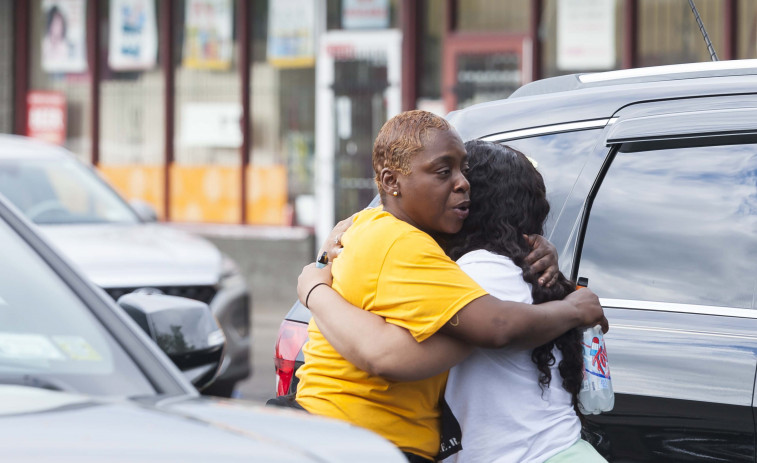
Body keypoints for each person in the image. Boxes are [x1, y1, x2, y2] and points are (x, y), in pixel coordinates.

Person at [295, 110, 607, 463]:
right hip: (357, 443)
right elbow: (488, 328)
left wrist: (315, 280)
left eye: (464, 172)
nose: (462, 184)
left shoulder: (389, 235)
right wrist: (572, 309)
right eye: (445, 172)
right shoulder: (419, 250)